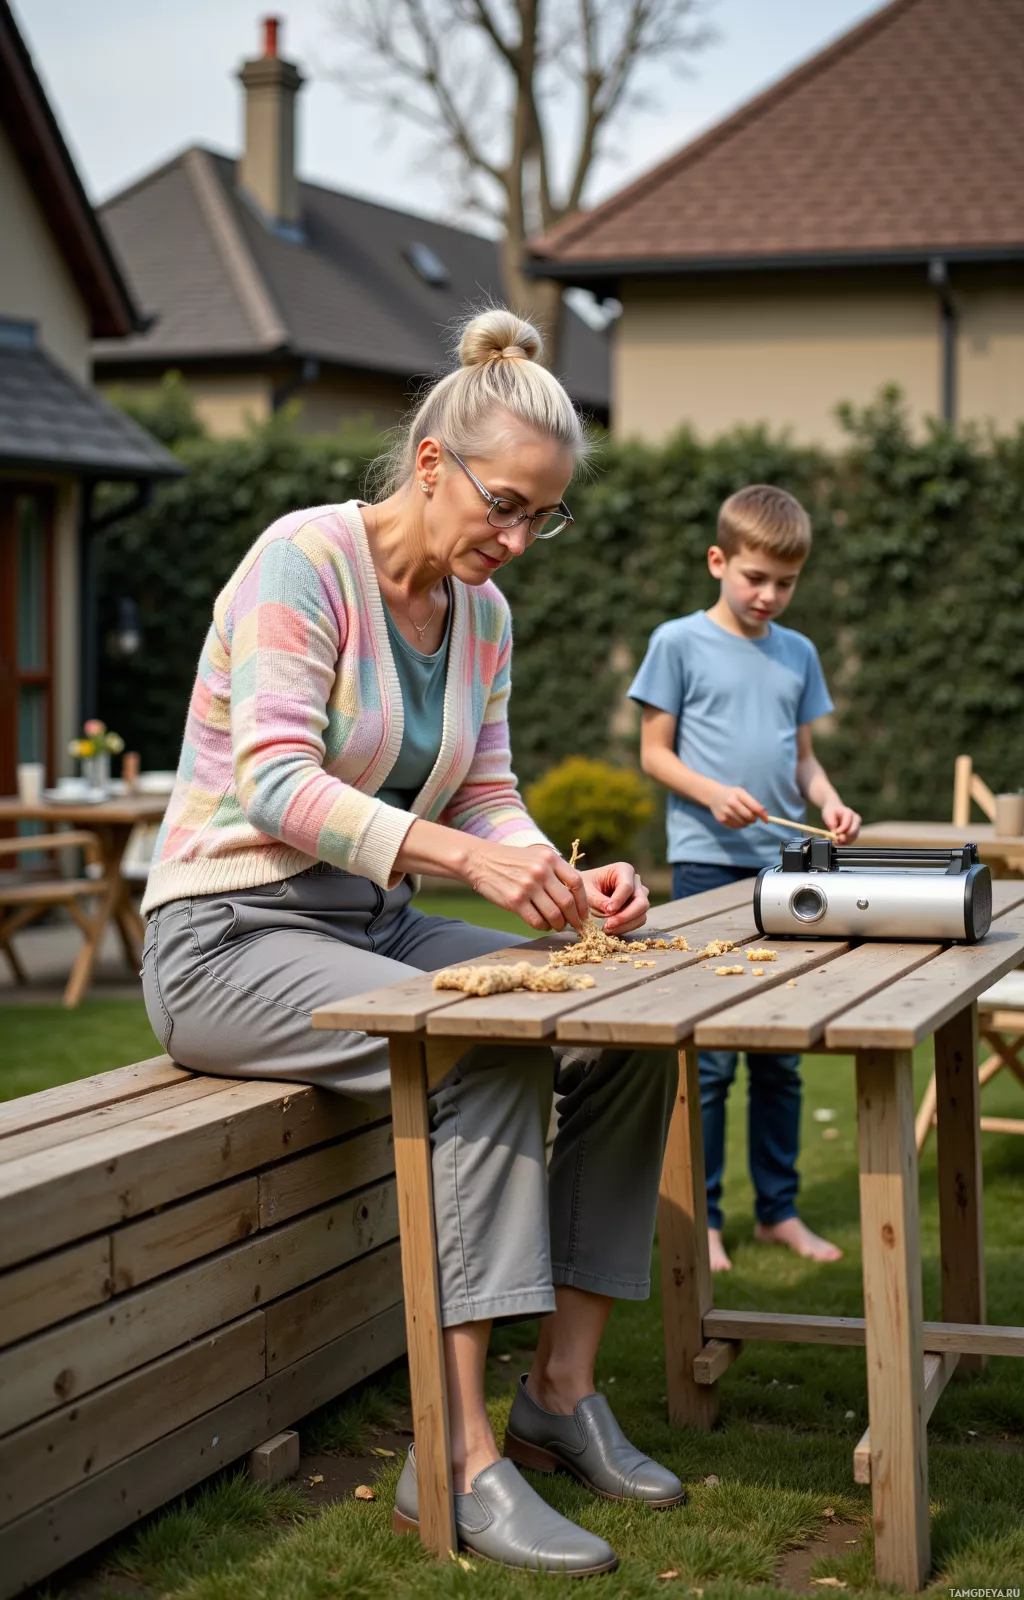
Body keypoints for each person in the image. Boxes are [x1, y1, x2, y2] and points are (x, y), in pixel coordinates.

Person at [140, 308, 684, 1576]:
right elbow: (275, 783)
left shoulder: (481, 618)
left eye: (542, 519)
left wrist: (555, 871)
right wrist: (467, 860)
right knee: (485, 1046)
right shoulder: (305, 560)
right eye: (504, 506)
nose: (516, 540)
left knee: (623, 1027)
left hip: (365, 921)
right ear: (431, 461)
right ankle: (452, 1452)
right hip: (226, 933)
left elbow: (484, 791)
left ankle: (560, 1389)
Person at [630, 484, 861, 1275]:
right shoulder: (677, 643)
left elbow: (803, 761)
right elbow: (653, 753)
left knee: (782, 1055)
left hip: (788, 871)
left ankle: (779, 1212)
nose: (769, 596)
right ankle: (707, 1218)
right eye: (755, 577)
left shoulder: (798, 653)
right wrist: (711, 793)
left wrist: (830, 803)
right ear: (718, 561)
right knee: (712, 1059)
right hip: (705, 867)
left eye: (785, 583)